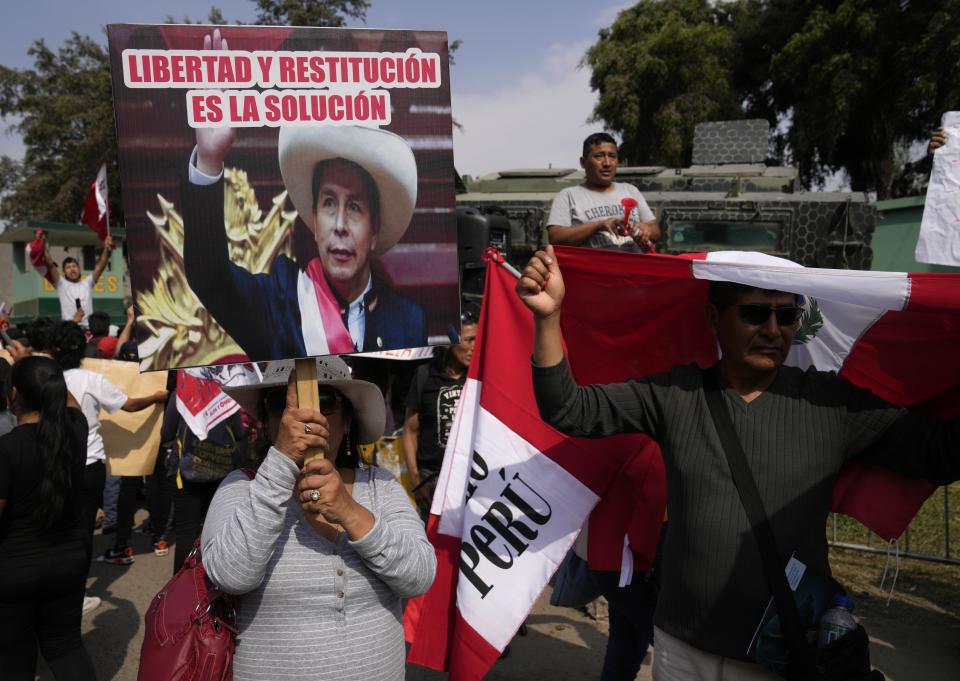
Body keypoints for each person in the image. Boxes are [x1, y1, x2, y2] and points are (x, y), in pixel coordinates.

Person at [517, 246, 960, 681]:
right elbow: (569, 410)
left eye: (787, 316)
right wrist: (548, 316)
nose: (773, 329)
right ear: (715, 318)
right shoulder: (676, 394)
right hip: (679, 648)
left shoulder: (832, 403)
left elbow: (939, 453)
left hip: (779, 652)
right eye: (754, 313)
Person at [182, 30, 426, 361]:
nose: (339, 225)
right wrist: (209, 161)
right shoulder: (276, 303)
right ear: (313, 219)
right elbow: (208, 275)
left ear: (375, 229)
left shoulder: (409, 321)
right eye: (329, 203)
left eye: (354, 207)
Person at [200, 357, 436, 681]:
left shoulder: (381, 486)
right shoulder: (243, 488)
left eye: (324, 402)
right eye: (279, 406)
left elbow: (419, 577)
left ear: (348, 419)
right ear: (269, 424)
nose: (304, 418)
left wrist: (348, 510)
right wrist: (281, 463)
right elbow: (231, 575)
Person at [0, 356, 97, 680]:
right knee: (65, 648)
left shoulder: (7, 449)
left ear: (14, 394)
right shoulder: (76, 430)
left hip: (15, 570)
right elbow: (70, 403)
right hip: (69, 561)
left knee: (15, 658)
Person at [47, 321, 167, 567]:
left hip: (52, 461)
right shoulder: (91, 379)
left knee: (56, 526)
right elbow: (130, 405)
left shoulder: (45, 377)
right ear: (82, 347)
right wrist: (156, 397)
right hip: (89, 462)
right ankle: (78, 588)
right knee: (83, 528)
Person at [403, 309, 478, 515]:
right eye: (469, 340)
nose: (474, 347)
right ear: (450, 341)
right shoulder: (424, 375)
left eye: (477, 340)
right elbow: (410, 431)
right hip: (432, 480)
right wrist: (416, 480)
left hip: (472, 478)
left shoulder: (480, 377)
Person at [547, 132, 660, 252]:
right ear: (583, 162)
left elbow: (655, 231)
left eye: (612, 156)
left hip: (634, 267)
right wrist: (597, 226)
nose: (607, 163)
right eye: (599, 156)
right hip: (593, 269)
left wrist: (647, 230)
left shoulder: (631, 190)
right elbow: (555, 237)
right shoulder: (568, 195)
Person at [38, 233, 114, 326]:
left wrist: (106, 247)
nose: (72, 269)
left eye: (74, 266)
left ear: (79, 269)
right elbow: (50, 265)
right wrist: (41, 243)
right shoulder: (61, 284)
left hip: (89, 329)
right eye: (68, 267)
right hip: (69, 330)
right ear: (64, 271)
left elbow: (101, 266)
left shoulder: (88, 283)